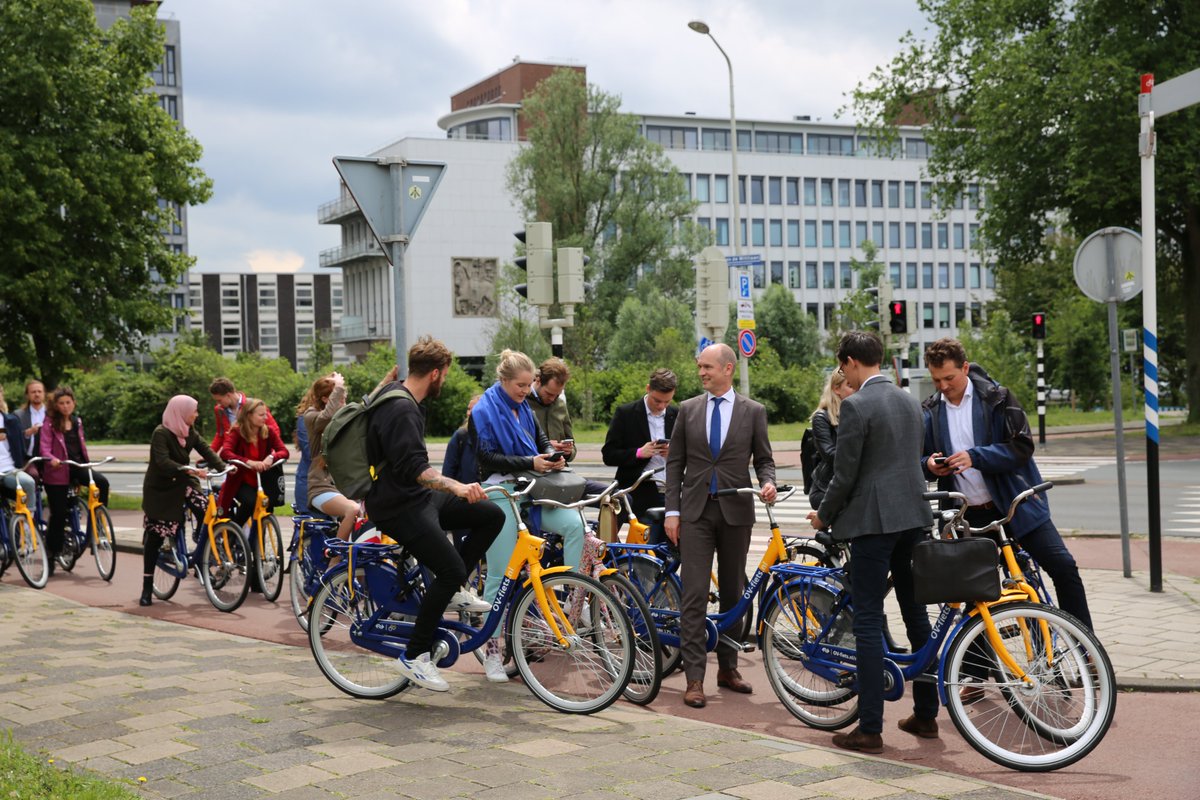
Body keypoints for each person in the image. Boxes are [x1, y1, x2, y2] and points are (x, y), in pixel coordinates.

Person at [807, 332, 937, 754]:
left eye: (842, 365)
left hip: (874, 523)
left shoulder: (857, 405)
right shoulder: (910, 401)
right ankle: (926, 715)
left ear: (848, 362)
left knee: (866, 617)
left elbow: (845, 475)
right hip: (913, 518)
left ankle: (870, 728)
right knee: (917, 616)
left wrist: (823, 515)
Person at [921, 337, 1093, 635]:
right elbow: (921, 455)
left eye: (949, 378)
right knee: (971, 592)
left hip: (1016, 506)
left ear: (964, 367)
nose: (943, 386)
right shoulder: (931, 410)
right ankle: (975, 675)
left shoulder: (997, 398)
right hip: (967, 515)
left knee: (1063, 567)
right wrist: (930, 464)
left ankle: (1086, 647)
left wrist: (976, 457)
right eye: (936, 380)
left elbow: (1022, 447)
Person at [365, 335, 503, 692]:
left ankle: (452, 589)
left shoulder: (402, 396)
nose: (445, 381)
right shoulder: (402, 408)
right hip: (398, 506)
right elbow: (416, 468)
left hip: (416, 497)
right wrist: (456, 486)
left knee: (490, 515)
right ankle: (415, 656)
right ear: (437, 373)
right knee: (451, 568)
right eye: (446, 375)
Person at [664, 343, 776, 709]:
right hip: (695, 514)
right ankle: (694, 678)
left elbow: (764, 458)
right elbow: (674, 464)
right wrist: (672, 512)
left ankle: (728, 669)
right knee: (694, 595)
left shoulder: (753, 411)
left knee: (734, 593)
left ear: (728, 369)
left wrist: (767, 482)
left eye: (708, 367)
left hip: (736, 513)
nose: (701, 373)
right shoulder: (688, 410)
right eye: (699, 367)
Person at [470, 349, 587, 683]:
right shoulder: (483, 410)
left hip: (533, 490)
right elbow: (486, 459)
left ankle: (571, 602)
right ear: (504, 381)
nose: (525, 391)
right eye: (519, 385)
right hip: (501, 491)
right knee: (499, 575)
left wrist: (553, 459)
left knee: (574, 524)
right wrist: (531, 462)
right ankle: (492, 654)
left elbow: (538, 445)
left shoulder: (524, 409)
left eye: (528, 385)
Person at [139, 396, 224, 606]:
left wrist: (225, 467)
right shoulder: (161, 433)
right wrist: (188, 468)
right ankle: (147, 587)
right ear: (181, 412)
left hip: (184, 481)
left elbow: (207, 450)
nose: (196, 414)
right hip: (161, 488)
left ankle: (201, 556)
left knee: (206, 511)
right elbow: (162, 461)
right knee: (156, 535)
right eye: (193, 411)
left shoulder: (190, 433)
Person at [601, 368, 678, 543]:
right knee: (644, 548)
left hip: (670, 491)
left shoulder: (677, 415)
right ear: (648, 388)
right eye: (657, 400)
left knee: (670, 548)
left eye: (667, 401)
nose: (661, 406)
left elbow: (690, 453)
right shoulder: (626, 413)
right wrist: (638, 453)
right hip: (638, 490)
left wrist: (674, 453)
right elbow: (609, 455)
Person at [40, 386, 110, 575]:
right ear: (56, 405)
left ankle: (99, 520)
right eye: (61, 403)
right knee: (59, 513)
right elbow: (44, 447)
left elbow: (81, 446)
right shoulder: (49, 423)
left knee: (102, 482)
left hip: (77, 467)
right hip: (57, 472)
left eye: (68, 403)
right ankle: (52, 553)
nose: (65, 406)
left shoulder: (77, 421)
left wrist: (87, 464)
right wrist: (51, 459)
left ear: (74, 403)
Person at [298, 373, 360, 542]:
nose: (344, 403)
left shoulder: (342, 418)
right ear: (326, 399)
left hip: (345, 486)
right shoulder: (311, 417)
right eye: (340, 398)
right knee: (352, 510)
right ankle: (336, 560)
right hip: (321, 487)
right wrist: (338, 388)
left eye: (344, 398)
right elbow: (326, 417)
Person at [209, 377, 285, 507]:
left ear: (228, 395)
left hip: (256, 456)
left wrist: (270, 455)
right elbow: (220, 435)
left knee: (262, 502)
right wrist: (209, 454)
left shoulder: (252, 405)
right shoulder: (220, 410)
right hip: (236, 457)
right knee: (235, 496)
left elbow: (273, 431)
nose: (219, 404)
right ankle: (232, 523)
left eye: (220, 400)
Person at [217, 398, 289, 532]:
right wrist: (248, 462)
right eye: (261, 415)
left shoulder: (268, 431)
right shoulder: (237, 432)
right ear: (249, 415)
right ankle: (234, 532)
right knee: (251, 502)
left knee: (266, 506)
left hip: (263, 480)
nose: (265, 418)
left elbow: (284, 451)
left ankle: (257, 545)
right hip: (242, 480)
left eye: (266, 414)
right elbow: (225, 452)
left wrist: (272, 457)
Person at [807, 369, 855, 511]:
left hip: (846, 485)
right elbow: (829, 454)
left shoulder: (855, 413)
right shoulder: (822, 418)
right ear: (836, 389)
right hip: (825, 488)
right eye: (850, 386)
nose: (856, 390)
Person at [442, 393, 482, 552]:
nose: (468, 413)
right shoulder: (461, 436)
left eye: (473, 409)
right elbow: (447, 473)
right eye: (468, 409)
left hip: (487, 500)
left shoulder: (493, 437)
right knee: (464, 552)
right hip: (464, 505)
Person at [0, 386, 37, 523]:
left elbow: (20, 447)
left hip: (9, 469)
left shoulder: (11, 421)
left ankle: (28, 526)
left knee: (28, 482)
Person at [529, 357, 575, 462]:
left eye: (557, 395)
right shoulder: (522, 403)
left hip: (558, 469)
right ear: (538, 380)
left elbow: (573, 445)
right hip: (532, 471)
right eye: (549, 393)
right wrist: (545, 448)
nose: (552, 399)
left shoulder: (560, 405)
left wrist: (568, 451)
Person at [17, 379, 47, 458]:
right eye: (33, 392)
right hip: (28, 457)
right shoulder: (19, 415)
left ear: (44, 394)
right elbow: (14, 438)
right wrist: (28, 433)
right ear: (27, 395)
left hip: (50, 458)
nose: (37, 394)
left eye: (39, 391)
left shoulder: (53, 414)